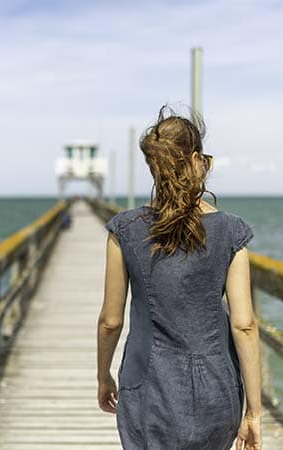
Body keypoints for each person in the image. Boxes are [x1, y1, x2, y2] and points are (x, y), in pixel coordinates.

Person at [96, 104, 262, 450]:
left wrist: (103, 376)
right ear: (198, 159)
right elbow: (244, 324)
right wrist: (254, 414)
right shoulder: (232, 231)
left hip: (147, 389)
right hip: (217, 388)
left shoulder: (124, 230)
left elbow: (110, 321)